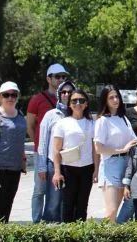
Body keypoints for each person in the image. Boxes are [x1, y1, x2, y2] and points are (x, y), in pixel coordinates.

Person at [26, 63, 69, 224]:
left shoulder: (69, 99)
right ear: (48, 79)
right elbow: (30, 125)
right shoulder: (37, 99)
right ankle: (37, 221)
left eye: (63, 76)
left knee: (57, 190)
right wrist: (38, 143)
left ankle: (56, 219)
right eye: (57, 76)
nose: (61, 79)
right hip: (42, 152)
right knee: (40, 189)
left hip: (60, 154)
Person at [51, 88, 98, 222]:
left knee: (82, 204)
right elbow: (56, 150)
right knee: (67, 203)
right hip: (67, 168)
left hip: (87, 168)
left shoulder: (92, 123)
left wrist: (96, 170)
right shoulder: (62, 123)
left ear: (86, 104)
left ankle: (80, 231)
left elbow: (95, 150)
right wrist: (57, 172)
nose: (78, 103)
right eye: (74, 101)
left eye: (81, 101)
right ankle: (67, 231)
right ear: (69, 104)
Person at [93, 85, 137, 223]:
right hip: (111, 165)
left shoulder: (123, 118)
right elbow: (98, 148)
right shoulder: (102, 121)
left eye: (117, 96)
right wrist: (122, 150)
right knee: (111, 211)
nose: (115, 100)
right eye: (111, 97)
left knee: (119, 208)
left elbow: (134, 140)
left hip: (126, 164)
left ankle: (118, 232)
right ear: (105, 100)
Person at [35, 80, 74, 222]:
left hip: (72, 165)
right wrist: (42, 166)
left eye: (70, 92)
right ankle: (49, 228)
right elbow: (43, 141)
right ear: (59, 94)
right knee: (53, 201)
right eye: (64, 92)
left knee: (69, 201)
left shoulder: (77, 114)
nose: (67, 94)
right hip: (53, 164)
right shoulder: (51, 115)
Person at [0, 81, 27, 222]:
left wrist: (23, 160)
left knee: (8, 203)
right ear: (0, 97)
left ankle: (3, 231)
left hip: (15, 168)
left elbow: (20, 141)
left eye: (13, 95)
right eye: (6, 95)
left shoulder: (20, 115)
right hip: (0, 168)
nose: (10, 98)